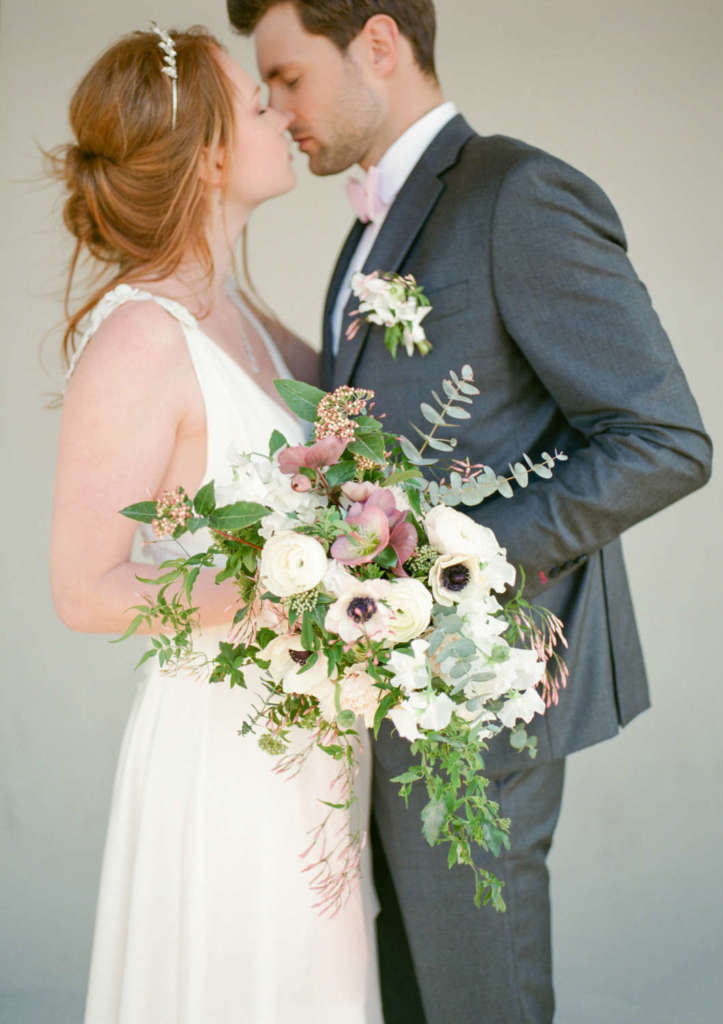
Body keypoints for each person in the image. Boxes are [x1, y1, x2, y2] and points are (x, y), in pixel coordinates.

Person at [228, 2, 714, 1021]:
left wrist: (451, 565)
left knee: (475, 1004)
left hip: (482, 702)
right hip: (388, 700)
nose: (276, 109)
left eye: (286, 78)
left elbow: (662, 439)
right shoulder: (371, 225)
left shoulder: (516, 193)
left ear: (376, 42)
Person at [49, 25, 383, 1023]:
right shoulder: (142, 337)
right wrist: (287, 587)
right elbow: (83, 588)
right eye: (255, 101)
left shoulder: (237, 309)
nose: (282, 112)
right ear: (210, 158)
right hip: (226, 749)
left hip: (307, 739)